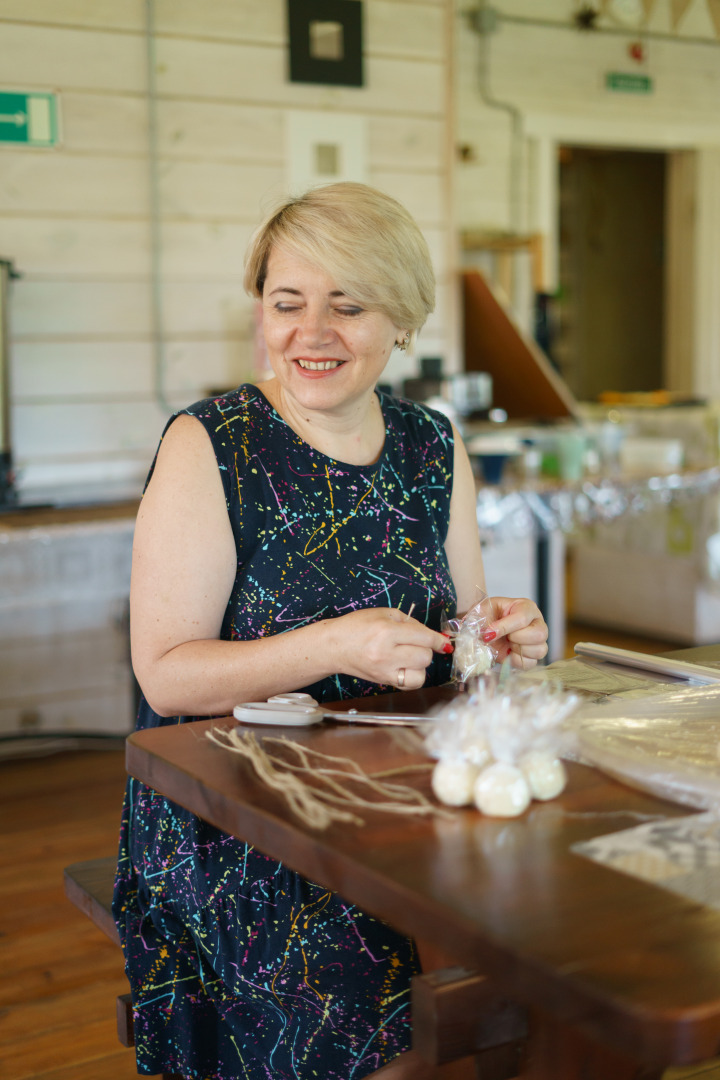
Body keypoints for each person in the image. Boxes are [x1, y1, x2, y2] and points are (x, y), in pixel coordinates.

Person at [113, 181, 548, 1080]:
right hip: (238, 819)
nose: (312, 334)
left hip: (396, 797)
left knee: (550, 940)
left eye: (348, 306)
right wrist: (334, 647)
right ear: (260, 314)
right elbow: (166, 678)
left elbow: (462, 636)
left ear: (404, 320)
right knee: (363, 1020)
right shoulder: (214, 444)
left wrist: (500, 632)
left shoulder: (434, 444)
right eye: (288, 304)